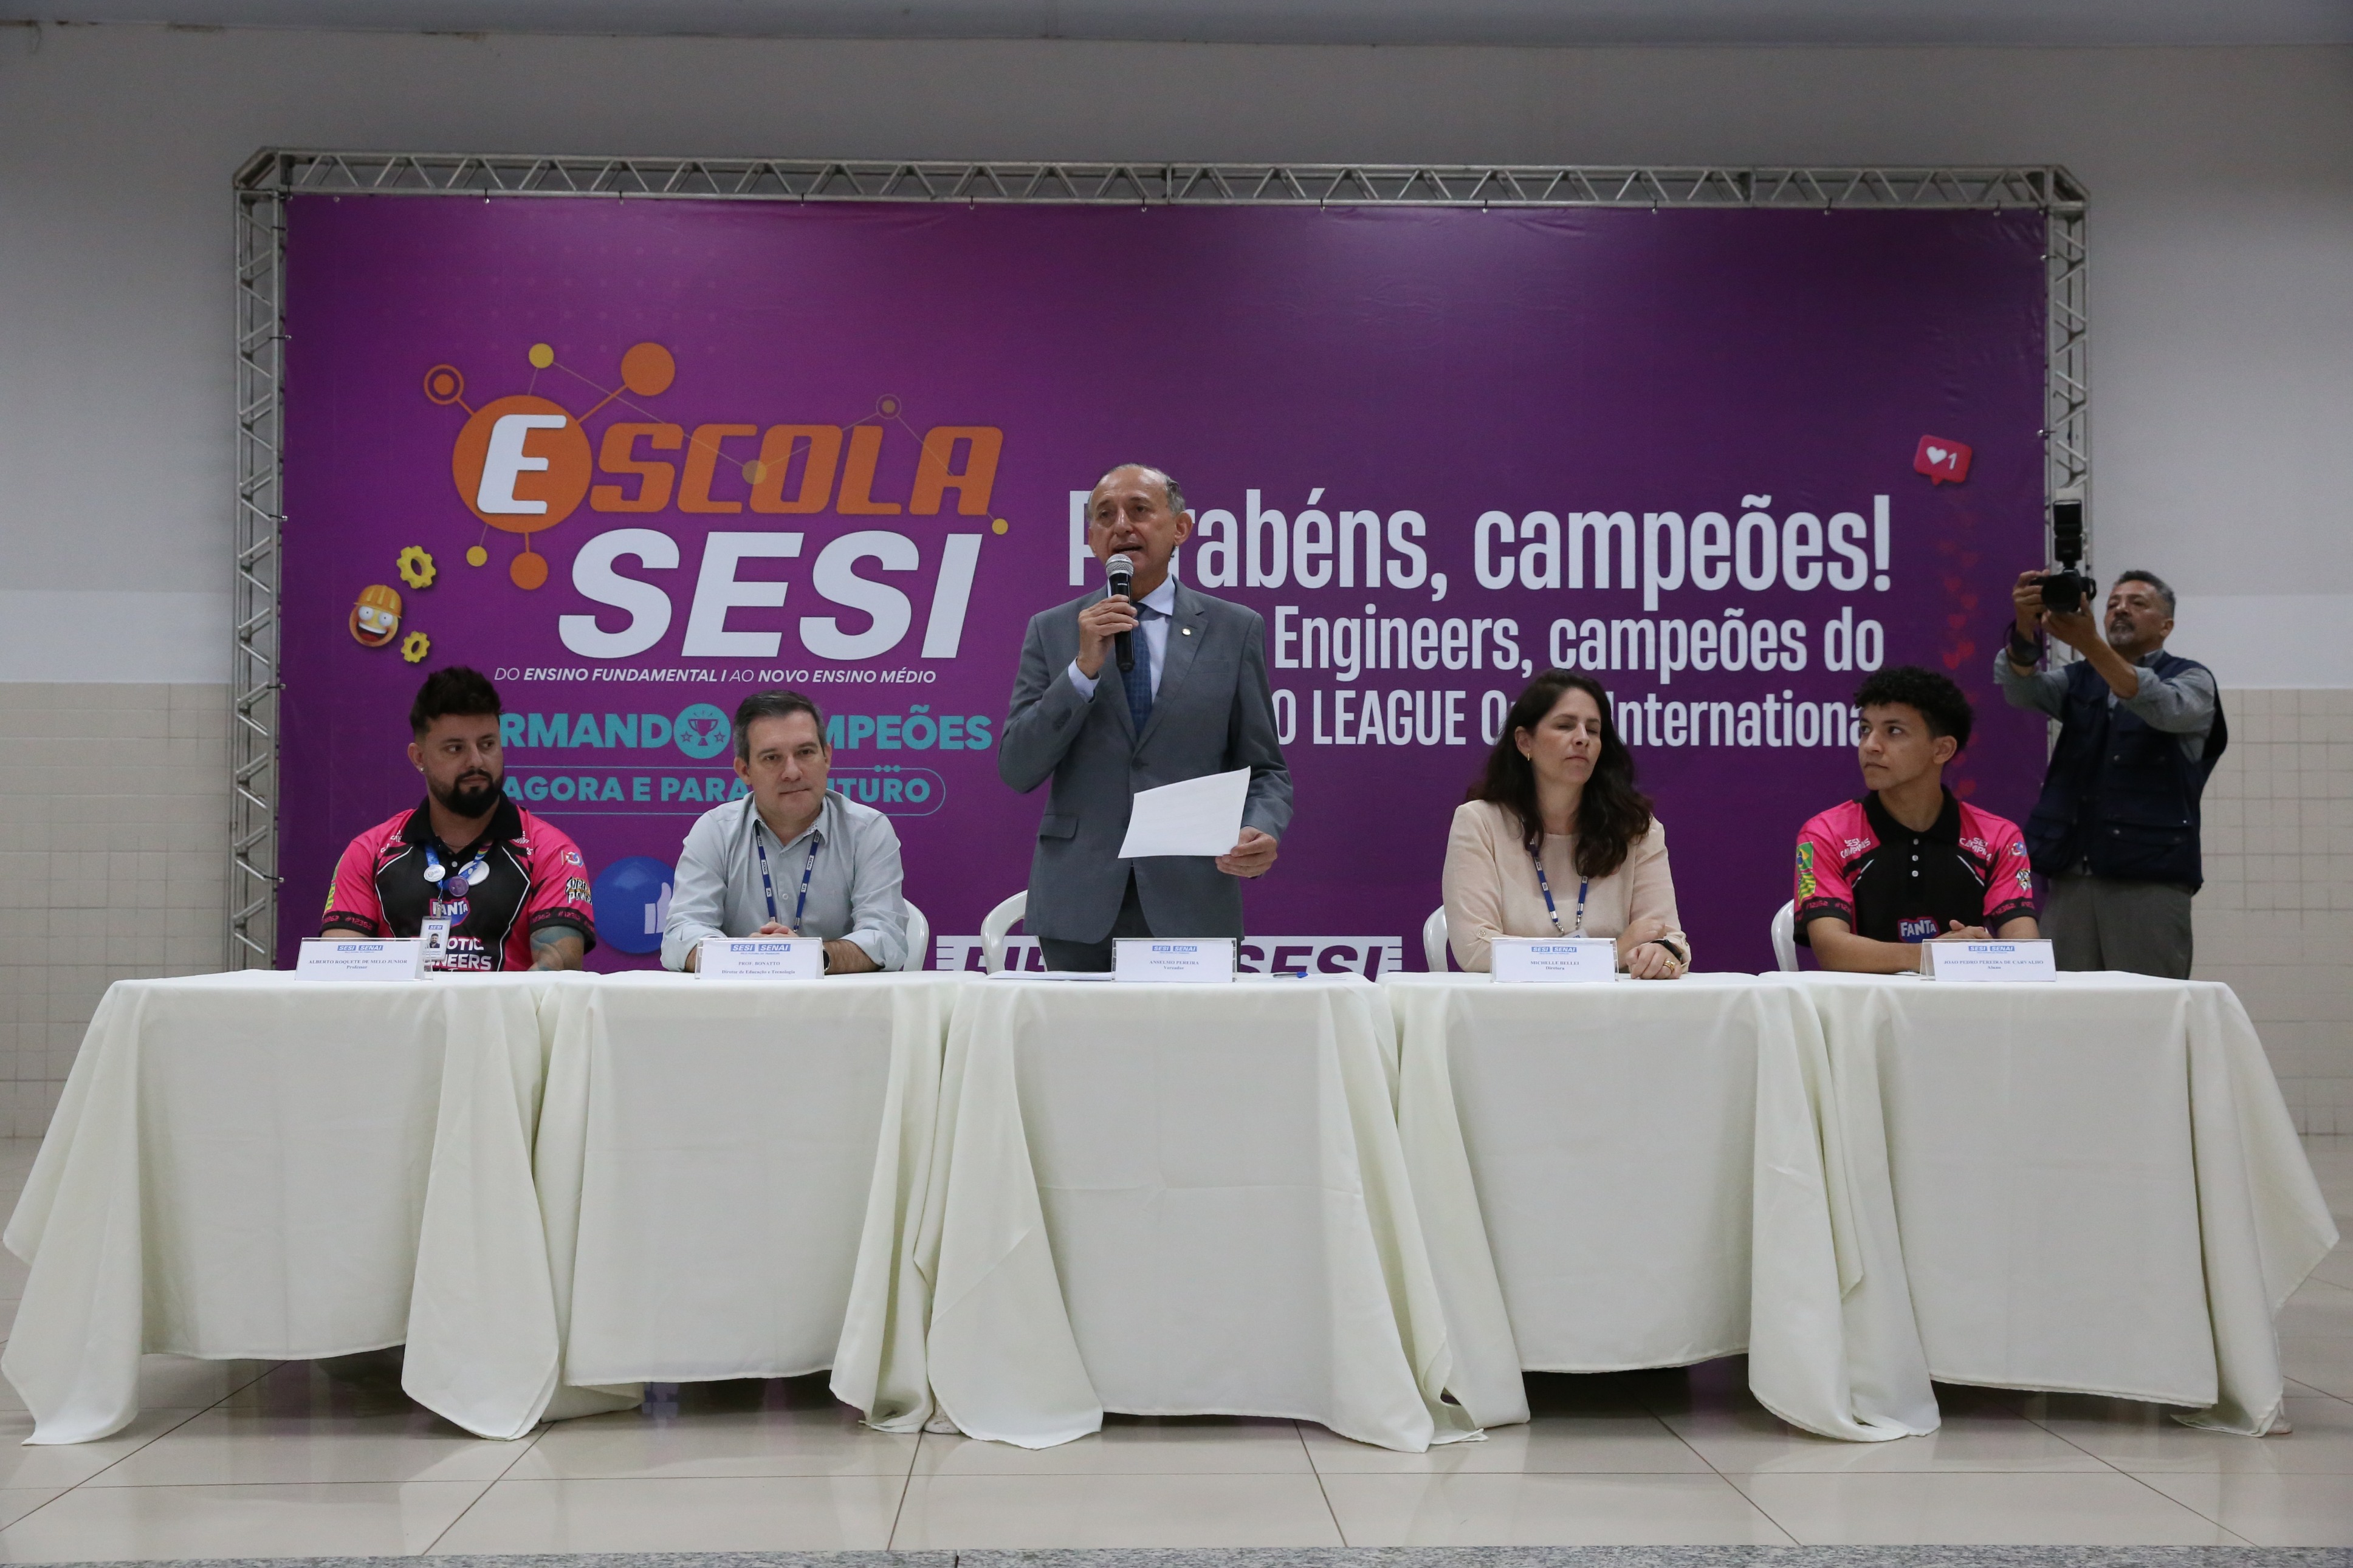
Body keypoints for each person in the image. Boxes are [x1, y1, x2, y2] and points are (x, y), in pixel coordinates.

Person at [998, 463, 1292, 971]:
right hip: (1079, 905)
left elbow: (1266, 769)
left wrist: (1261, 827)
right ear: (1091, 538)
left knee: (1191, 1031)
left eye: (1139, 510)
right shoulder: (1053, 630)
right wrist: (1081, 671)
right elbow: (1017, 766)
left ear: (1181, 528)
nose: (1121, 526)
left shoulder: (1235, 629)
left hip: (1192, 899)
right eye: (1104, 515)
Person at [1996, 568, 2225, 977]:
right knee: (2063, 1003)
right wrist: (2025, 627)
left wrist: (2088, 643)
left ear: (2167, 625)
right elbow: (2021, 691)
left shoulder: (2192, 679)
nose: (2121, 610)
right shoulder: (2080, 678)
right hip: (2071, 875)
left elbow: (2158, 705)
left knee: (2147, 1006)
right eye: (2114, 603)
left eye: (2137, 603)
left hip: (2148, 879)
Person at [321, 666, 594, 970]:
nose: (476, 761)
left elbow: (559, 968)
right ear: (419, 758)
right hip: (402, 1005)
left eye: (487, 744)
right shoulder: (369, 852)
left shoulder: (552, 852)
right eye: (455, 748)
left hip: (508, 1006)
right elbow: (338, 967)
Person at [1795, 665, 2039, 973]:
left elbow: (2027, 951)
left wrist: (1970, 954)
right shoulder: (1824, 834)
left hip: (1963, 1002)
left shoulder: (2000, 837)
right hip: (1863, 1003)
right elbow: (1832, 950)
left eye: (1894, 731)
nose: (1870, 745)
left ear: (1942, 749)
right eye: (1865, 729)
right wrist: (1937, 956)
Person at [1443, 669, 1688, 976]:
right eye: (1565, 726)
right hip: (1510, 1004)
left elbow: (1669, 938)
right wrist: (1613, 953)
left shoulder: (1636, 829)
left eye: (1593, 730)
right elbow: (1475, 949)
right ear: (1525, 742)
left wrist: (1661, 954)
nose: (1582, 738)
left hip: (1613, 1004)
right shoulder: (1480, 823)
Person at [662, 690, 908, 973]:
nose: (792, 772)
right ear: (745, 770)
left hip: (838, 999)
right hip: (737, 998)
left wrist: (809, 957)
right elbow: (681, 936)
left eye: (805, 753)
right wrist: (747, 957)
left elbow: (886, 938)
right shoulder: (714, 831)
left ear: (827, 757)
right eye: (772, 758)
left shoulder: (867, 830)